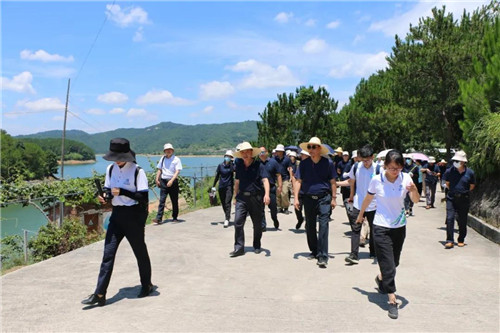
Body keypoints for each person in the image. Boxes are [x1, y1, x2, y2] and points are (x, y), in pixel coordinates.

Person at [82, 138, 153, 307]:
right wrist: (104, 195)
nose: (117, 160)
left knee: (140, 252)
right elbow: (108, 189)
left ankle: (147, 285)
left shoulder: (137, 171)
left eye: (120, 157)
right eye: (115, 157)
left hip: (134, 216)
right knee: (108, 254)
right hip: (117, 215)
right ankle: (100, 293)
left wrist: (122, 191)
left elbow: (143, 197)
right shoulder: (110, 169)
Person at [356, 150, 420, 319]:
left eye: (398, 168)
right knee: (388, 263)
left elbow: (415, 200)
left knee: (394, 262)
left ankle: (381, 278)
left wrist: (413, 190)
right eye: (391, 168)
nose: (394, 171)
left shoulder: (406, 178)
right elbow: (368, 199)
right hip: (381, 226)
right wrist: (361, 214)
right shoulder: (377, 180)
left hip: (399, 226)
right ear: (384, 166)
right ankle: (392, 299)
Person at [294, 137, 337, 268]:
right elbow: (298, 181)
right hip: (308, 198)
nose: (311, 150)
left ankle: (323, 256)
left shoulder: (328, 163)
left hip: (324, 198)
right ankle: (314, 251)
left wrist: (334, 198)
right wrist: (296, 198)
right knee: (310, 226)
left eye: (313, 147)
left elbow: (333, 182)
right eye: (309, 147)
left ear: (319, 149)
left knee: (323, 226)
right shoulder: (303, 164)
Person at [230, 142, 271, 257]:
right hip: (242, 197)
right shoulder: (239, 165)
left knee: (257, 224)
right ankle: (239, 248)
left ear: (252, 153)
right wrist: (235, 196)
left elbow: (265, 180)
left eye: (247, 151)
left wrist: (266, 194)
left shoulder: (259, 165)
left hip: (255, 198)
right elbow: (237, 181)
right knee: (238, 221)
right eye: (242, 152)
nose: (245, 154)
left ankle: (257, 244)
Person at [345, 145, 380, 264]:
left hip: (374, 204)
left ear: (372, 157)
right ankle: (353, 254)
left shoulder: (379, 169)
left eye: (368, 160)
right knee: (355, 229)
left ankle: (373, 252)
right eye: (363, 160)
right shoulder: (356, 167)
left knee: (374, 230)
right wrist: (350, 196)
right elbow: (351, 182)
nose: (366, 163)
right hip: (358, 203)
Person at [443, 151, 475, 249]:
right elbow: (447, 183)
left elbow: (472, 186)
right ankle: (449, 240)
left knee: (462, 220)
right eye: (455, 160)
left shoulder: (470, 172)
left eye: (458, 161)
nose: (456, 162)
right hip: (451, 198)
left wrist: (463, 192)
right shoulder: (449, 171)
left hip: (464, 199)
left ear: (463, 162)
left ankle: (461, 239)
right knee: (449, 218)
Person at [153, 143, 182, 224]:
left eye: (170, 150)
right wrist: (157, 179)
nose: (168, 151)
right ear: (164, 151)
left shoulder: (176, 159)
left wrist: (171, 180)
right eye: (166, 150)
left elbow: (177, 171)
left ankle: (175, 217)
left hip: (173, 181)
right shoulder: (162, 159)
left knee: (174, 200)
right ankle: (159, 218)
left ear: (172, 150)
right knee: (162, 200)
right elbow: (159, 169)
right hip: (163, 181)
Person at [258, 146, 282, 231]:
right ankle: (262, 225)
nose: (261, 154)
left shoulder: (273, 162)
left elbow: (278, 175)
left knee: (273, 208)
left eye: (263, 152)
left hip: (271, 188)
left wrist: (280, 186)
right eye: (260, 152)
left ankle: (275, 219)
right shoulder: (257, 163)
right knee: (260, 208)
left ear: (267, 152)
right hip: (260, 188)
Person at [212, 150, 235, 228]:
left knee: (227, 202)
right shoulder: (220, 166)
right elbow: (217, 176)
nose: (227, 158)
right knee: (223, 203)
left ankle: (227, 219)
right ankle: (227, 215)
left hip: (229, 186)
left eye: (229, 156)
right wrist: (213, 186)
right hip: (221, 186)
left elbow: (233, 170)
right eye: (227, 156)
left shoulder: (232, 165)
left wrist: (232, 162)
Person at [274, 144, 292, 214]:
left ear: (282, 151)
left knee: (284, 193)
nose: (278, 152)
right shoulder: (274, 159)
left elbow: (290, 168)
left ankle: (286, 207)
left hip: (285, 178)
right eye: (277, 151)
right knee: (278, 193)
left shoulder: (287, 159)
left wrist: (290, 177)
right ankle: (279, 207)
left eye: (279, 151)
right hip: (276, 178)